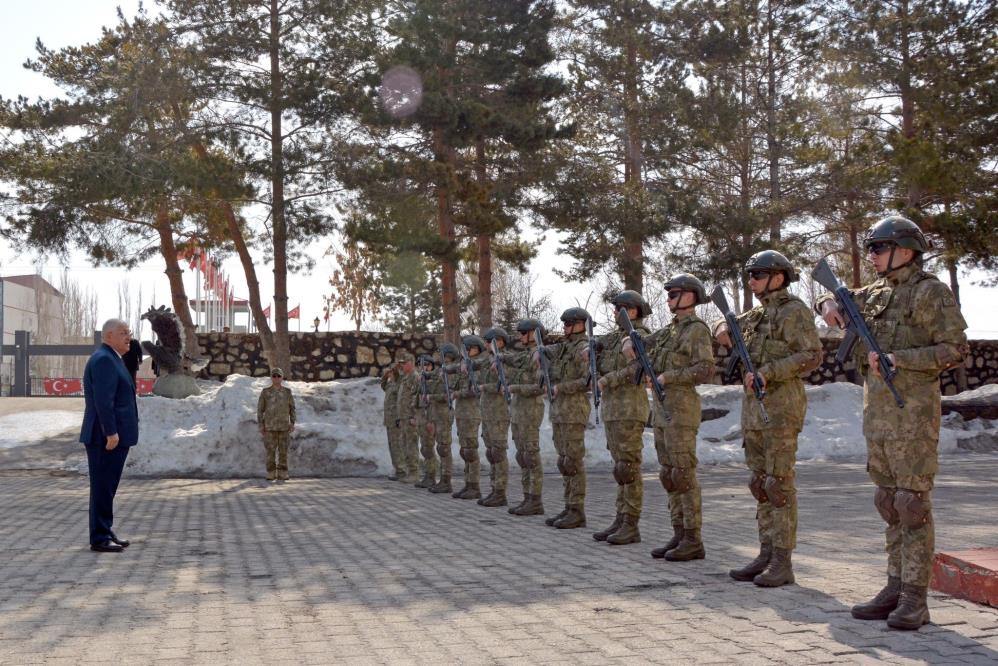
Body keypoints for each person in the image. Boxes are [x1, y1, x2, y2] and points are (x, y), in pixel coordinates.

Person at [815, 216, 968, 629]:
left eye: (878, 249)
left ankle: (915, 598)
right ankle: (894, 585)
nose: (872, 256)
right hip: (879, 415)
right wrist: (827, 305)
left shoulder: (930, 292)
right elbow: (827, 301)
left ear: (905, 249)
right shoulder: (877, 293)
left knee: (912, 504)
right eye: (871, 249)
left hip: (913, 413)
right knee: (887, 501)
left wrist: (903, 360)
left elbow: (955, 349)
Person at [714, 250, 822, 587]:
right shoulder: (756, 316)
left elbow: (812, 355)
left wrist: (769, 371)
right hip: (754, 412)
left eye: (758, 274)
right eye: (750, 275)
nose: (752, 281)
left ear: (778, 277)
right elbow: (724, 326)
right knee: (760, 484)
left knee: (778, 485)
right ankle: (765, 552)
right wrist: (721, 327)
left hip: (781, 408)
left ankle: (782, 560)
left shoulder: (794, 311)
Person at [642, 274, 714, 562]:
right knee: (669, 475)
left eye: (674, 294)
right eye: (669, 294)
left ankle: (694, 538)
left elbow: (705, 369)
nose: (669, 298)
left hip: (682, 411)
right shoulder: (669, 331)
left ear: (691, 296)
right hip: (662, 410)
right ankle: (679, 531)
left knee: (684, 475)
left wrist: (669, 376)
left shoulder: (696, 330)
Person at [592, 290, 653, 545]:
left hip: (629, 409)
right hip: (613, 410)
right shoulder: (614, 338)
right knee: (620, 469)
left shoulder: (642, 336)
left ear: (633, 310)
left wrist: (609, 379)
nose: (615, 314)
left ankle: (631, 523)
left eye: (619, 309)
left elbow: (638, 367)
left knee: (629, 467)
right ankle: (621, 517)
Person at [79, 318, 139, 553]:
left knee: (107, 486)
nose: (128, 337)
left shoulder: (113, 358)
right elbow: (104, 401)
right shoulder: (104, 360)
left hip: (111, 435)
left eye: (129, 332)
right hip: (104, 437)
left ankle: (105, 529)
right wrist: (111, 432)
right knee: (103, 486)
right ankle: (100, 537)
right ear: (108, 336)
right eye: (123, 333)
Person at [542, 307, 593, 529]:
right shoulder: (564, 348)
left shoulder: (584, 347)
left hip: (573, 411)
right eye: (564, 324)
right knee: (564, 461)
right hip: (560, 411)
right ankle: (569, 505)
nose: (565, 327)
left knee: (573, 461)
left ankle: (577, 509)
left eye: (569, 323)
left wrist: (560, 387)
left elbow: (586, 380)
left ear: (582, 324)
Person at [505, 319, 547, 517]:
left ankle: (535, 499)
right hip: (518, 410)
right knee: (522, 456)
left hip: (530, 410)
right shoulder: (524, 355)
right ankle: (527, 497)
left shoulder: (540, 355)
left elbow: (540, 386)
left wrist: (516, 388)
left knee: (531, 456)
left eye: (524, 333)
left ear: (534, 333)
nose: (520, 337)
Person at [477, 327, 512, 507]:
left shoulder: (506, 359)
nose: (485, 345)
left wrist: (485, 387)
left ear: (499, 342)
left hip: (498, 412)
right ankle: (493, 489)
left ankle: (500, 491)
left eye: (489, 341)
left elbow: (503, 384)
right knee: (491, 453)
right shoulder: (488, 359)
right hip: (488, 412)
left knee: (498, 452)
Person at [451, 335, 486, 500]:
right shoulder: (465, 365)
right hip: (461, 413)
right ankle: (468, 484)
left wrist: (458, 393)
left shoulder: (478, 366)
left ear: (476, 348)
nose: (465, 352)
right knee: (465, 450)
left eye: (468, 348)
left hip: (472, 413)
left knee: (471, 450)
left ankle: (475, 486)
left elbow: (475, 390)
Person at [428, 344, 459, 494]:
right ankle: (442, 479)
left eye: (441, 354)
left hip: (445, 413)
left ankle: (446, 481)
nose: (438, 356)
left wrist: (431, 397)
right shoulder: (441, 370)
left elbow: (449, 394)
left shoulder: (451, 371)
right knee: (440, 447)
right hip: (436, 413)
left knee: (444, 447)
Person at [257, 368, 296, 482]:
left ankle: (283, 472)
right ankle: (271, 472)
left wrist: (292, 422)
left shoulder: (287, 392)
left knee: (283, 451)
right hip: (270, 426)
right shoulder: (265, 392)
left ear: (282, 377)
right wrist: (261, 425)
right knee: (270, 451)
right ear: (271, 377)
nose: (276, 378)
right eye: (274, 376)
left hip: (284, 426)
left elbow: (292, 408)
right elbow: (260, 410)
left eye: (278, 376)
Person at [413, 355, 440, 489]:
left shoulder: (432, 382)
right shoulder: (420, 381)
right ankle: (427, 475)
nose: (423, 368)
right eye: (421, 365)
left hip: (429, 419)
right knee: (424, 449)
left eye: (427, 365)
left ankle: (431, 476)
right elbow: (416, 402)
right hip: (421, 419)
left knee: (428, 449)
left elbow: (433, 404)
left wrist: (431, 421)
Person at [395, 351, 421, 484]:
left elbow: (417, 399)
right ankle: (409, 471)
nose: (402, 366)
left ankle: (414, 473)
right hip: (404, 418)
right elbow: (402, 400)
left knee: (411, 445)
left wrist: (414, 416)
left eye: (404, 363)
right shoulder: (405, 378)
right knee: (405, 445)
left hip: (410, 418)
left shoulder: (415, 377)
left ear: (411, 363)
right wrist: (399, 418)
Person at [380, 364, 405, 480]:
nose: (390, 373)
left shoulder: (399, 385)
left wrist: (395, 369)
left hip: (395, 420)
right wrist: (385, 376)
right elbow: (383, 386)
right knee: (392, 446)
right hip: (389, 420)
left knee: (397, 446)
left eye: (391, 372)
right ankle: (398, 469)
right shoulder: (390, 384)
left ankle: (402, 470)